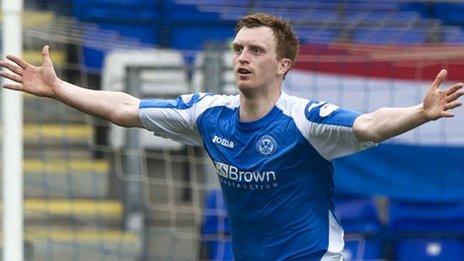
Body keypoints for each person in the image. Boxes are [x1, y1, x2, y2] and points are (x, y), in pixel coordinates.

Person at [1, 12, 462, 261]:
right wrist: (60, 89)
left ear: (283, 65)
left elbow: (369, 125)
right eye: (238, 48)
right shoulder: (207, 114)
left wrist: (419, 114)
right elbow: (126, 109)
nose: (242, 57)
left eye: (256, 50)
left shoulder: (305, 120)